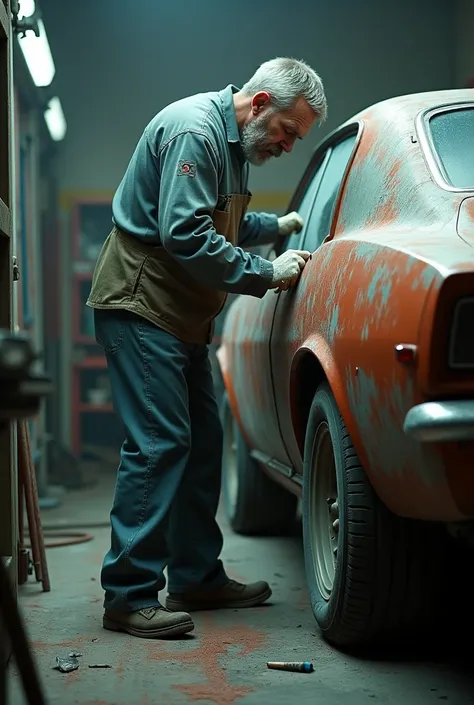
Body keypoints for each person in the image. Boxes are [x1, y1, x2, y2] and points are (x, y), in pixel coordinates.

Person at [86, 56, 327, 640]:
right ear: (262, 103)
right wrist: (267, 273)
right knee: (160, 444)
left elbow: (224, 223)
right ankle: (128, 595)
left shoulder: (234, 145)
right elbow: (186, 233)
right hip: (143, 306)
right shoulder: (197, 130)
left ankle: (194, 576)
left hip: (180, 317)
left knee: (203, 441)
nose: (288, 145)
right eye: (288, 132)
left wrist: (278, 225)